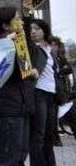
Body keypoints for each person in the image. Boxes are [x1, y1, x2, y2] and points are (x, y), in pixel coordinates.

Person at [0, 3, 41, 166]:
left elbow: (25, 63)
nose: (21, 22)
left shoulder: (19, 42)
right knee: (6, 159)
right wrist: (5, 40)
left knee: (19, 157)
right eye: (17, 19)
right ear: (5, 25)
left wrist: (32, 72)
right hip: (7, 110)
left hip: (22, 108)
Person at [29, 18, 64, 166]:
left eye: (36, 28)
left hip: (51, 95)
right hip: (38, 94)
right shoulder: (32, 49)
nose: (33, 31)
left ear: (44, 31)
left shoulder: (50, 51)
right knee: (38, 135)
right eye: (31, 29)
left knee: (50, 134)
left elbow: (55, 74)